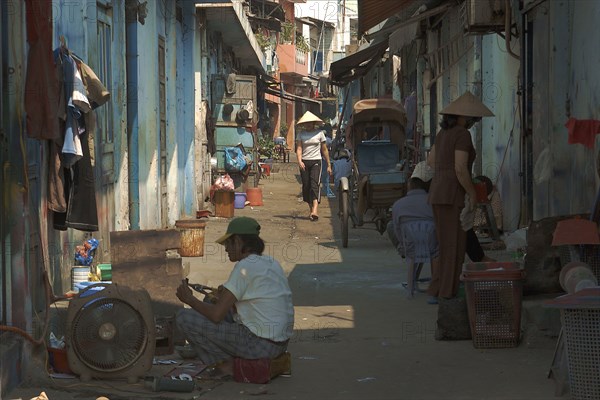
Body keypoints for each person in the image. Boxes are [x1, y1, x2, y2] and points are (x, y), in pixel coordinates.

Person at [175, 217, 294, 374]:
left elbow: (217, 315)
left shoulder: (244, 267)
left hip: (260, 345)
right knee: (209, 301)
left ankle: (225, 364)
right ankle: (230, 359)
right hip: (279, 344)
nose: (226, 249)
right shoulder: (270, 262)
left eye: (227, 244)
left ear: (238, 242)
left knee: (184, 317)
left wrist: (189, 299)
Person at [427, 91, 494, 299]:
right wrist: (472, 192)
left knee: (445, 244)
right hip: (452, 195)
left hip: (438, 192)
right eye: (473, 118)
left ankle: (439, 289)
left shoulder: (442, 134)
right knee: (454, 246)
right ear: (463, 117)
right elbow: (460, 168)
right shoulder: (462, 134)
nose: (474, 122)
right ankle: (447, 293)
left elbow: (430, 161)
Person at [295, 111, 331, 221]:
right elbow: (299, 148)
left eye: (310, 123)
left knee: (314, 184)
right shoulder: (301, 134)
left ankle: (315, 209)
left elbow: (324, 150)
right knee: (306, 186)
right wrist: (299, 161)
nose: (308, 124)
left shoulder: (320, 134)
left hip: (316, 161)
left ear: (314, 123)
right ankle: (311, 210)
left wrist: (329, 164)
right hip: (304, 162)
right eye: (306, 123)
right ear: (303, 124)